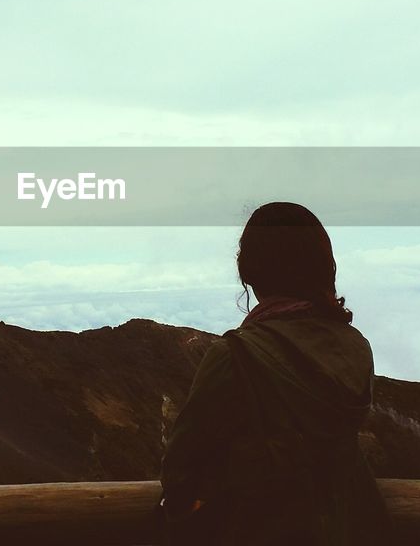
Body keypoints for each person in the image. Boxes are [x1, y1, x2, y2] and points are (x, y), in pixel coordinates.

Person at [159, 202, 393, 545]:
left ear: (250, 272)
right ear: (324, 267)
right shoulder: (356, 347)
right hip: (346, 528)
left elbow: (180, 471)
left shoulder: (233, 356)